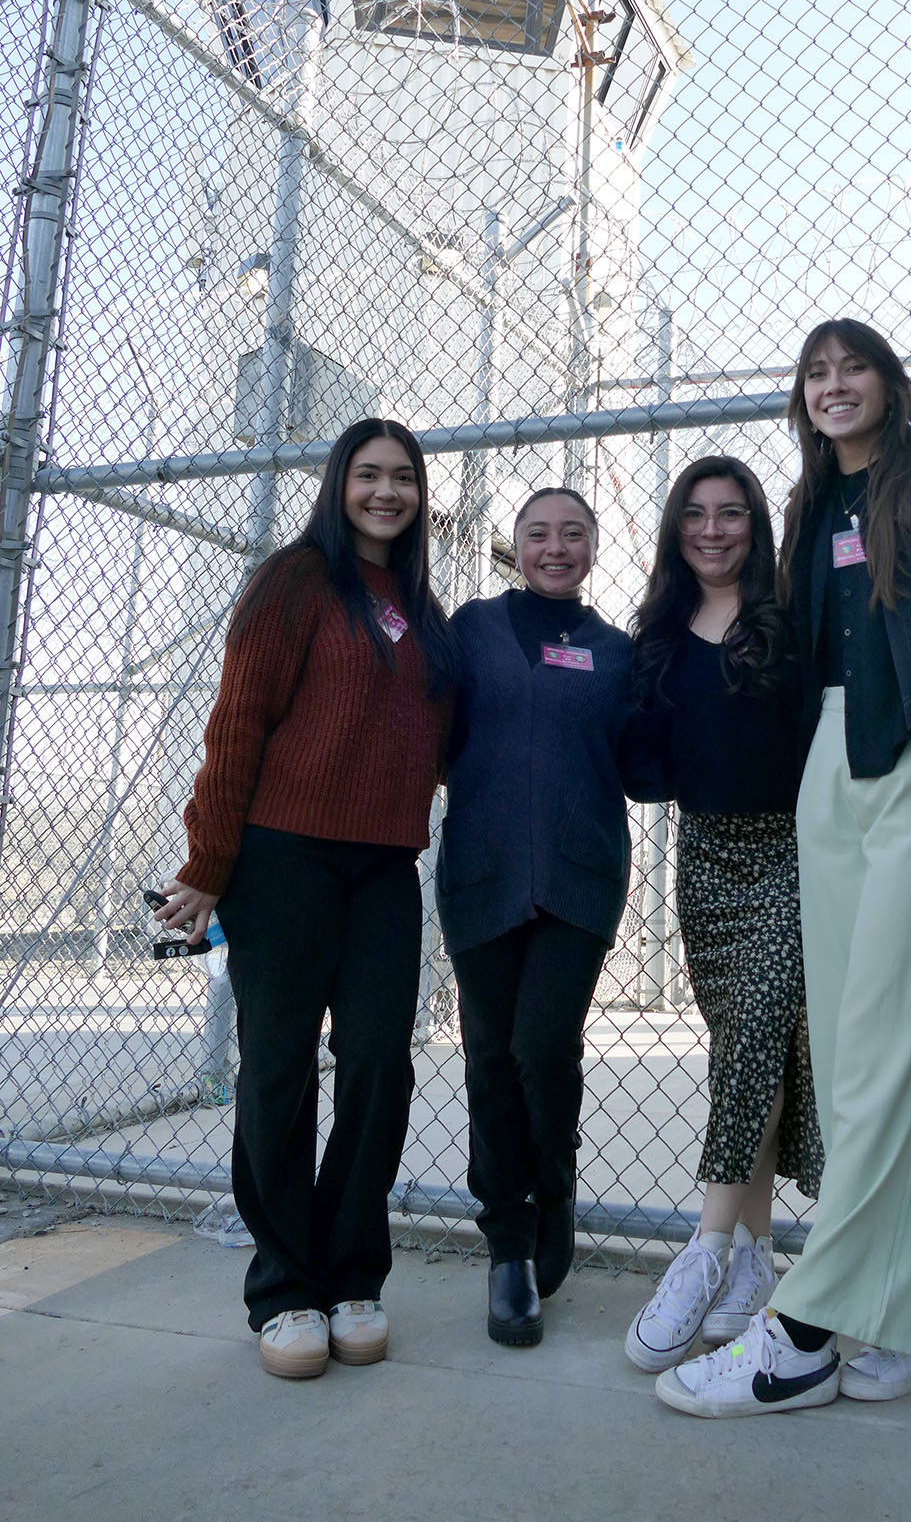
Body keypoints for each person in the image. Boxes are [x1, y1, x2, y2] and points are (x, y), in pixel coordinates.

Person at [655, 319, 911, 1417]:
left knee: (884, 1056)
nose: (832, 385)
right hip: (832, 770)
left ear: (887, 380)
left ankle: (807, 1328)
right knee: (856, 1054)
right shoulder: (812, 504)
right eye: (814, 373)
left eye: (850, 365)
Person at [156, 419, 457, 1381]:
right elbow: (238, 722)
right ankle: (284, 1286)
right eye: (368, 475)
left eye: (402, 477)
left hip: (384, 870)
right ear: (338, 485)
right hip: (283, 860)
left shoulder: (423, 605)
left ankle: (352, 1275)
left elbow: (441, 741)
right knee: (279, 1069)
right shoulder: (293, 581)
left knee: (377, 1063)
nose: (386, 492)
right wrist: (209, 861)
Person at [623, 456, 822, 1373]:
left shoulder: (789, 622)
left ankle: (702, 1252)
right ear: (677, 528)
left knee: (754, 1036)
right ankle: (754, 1258)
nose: (713, 530)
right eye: (696, 514)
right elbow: (644, 762)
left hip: (789, 855)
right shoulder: (660, 633)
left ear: (755, 525)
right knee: (750, 1049)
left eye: (731, 513)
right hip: (705, 860)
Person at [437, 487, 648, 1347]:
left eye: (572, 534)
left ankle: (553, 1187)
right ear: (516, 545)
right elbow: (432, 736)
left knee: (542, 1046)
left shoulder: (617, 652)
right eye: (538, 534)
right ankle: (509, 1247)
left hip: (577, 880)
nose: (554, 548)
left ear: (593, 547)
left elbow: (646, 766)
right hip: (481, 875)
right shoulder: (472, 630)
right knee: (491, 1057)